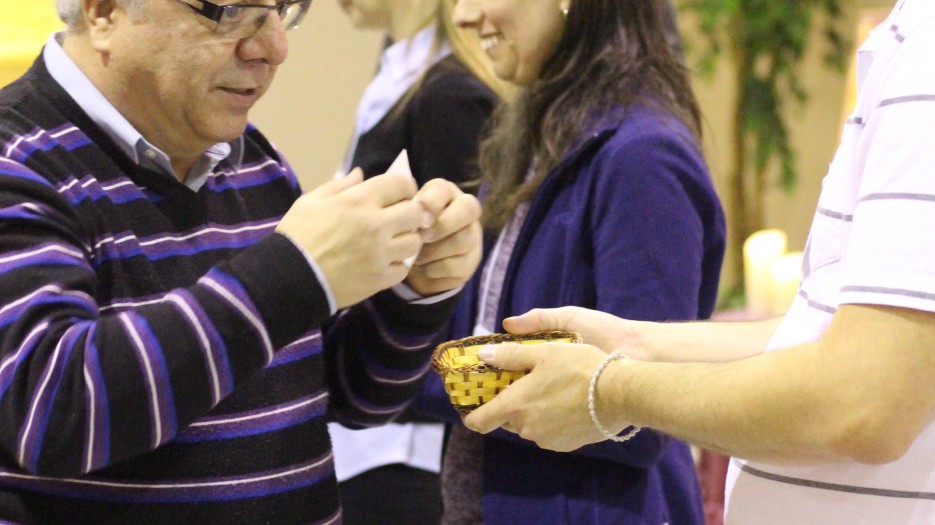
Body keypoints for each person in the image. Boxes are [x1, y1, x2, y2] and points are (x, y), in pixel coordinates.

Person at [0, 0, 483, 523]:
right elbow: (54, 415)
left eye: (284, 10)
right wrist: (294, 273)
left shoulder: (252, 158)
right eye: (231, 11)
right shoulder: (16, 160)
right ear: (104, 13)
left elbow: (350, 396)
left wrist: (410, 292)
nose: (274, 47)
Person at [460, 1, 935, 523]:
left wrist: (609, 388)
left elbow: (864, 399)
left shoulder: (642, 154)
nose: (461, 15)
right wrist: (637, 344)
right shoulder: (908, 39)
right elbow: (834, 331)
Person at [413, 0, 726, 523]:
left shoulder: (642, 158)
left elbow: (645, 412)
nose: (463, 17)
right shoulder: (537, 141)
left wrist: (400, 378)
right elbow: (478, 334)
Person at [328, 0, 506, 522]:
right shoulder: (400, 74)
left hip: (408, 431)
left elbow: (467, 278)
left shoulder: (450, 96)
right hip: (375, 409)